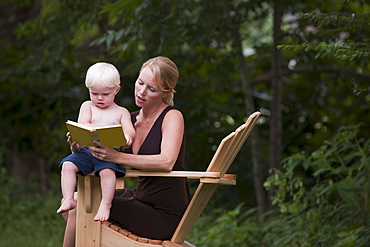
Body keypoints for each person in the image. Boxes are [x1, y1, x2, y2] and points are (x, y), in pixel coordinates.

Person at [61, 56, 191, 246]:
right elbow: (98, 153)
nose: (141, 92)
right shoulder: (128, 120)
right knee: (73, 202)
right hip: (139, 198)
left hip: (163, 213)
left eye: (151, 89)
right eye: (140, 83)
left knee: (82, 205)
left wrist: (117, 156)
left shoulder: (171, 116)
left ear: (166, 92)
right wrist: (77, 145)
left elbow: (166, 161)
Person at [57, 62, 136, 222]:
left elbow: (129, 130)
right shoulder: (87, 106)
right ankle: (68, 198)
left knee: (108, 173)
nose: (99, 98)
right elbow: (83, 124)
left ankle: (106, 204)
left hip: (109, 155)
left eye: (105, 94)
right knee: (67, 165)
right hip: (87, 152)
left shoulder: (121, 112)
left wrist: (128, 137)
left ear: (116, 90)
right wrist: (75, 139)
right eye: (94, 93)